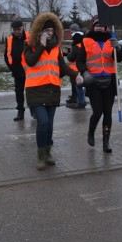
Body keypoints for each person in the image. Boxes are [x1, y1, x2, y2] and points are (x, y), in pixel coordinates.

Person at [23, 12, 77, 170]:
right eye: (46, 31)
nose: (49, 33)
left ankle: (47, 153)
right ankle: (40, 156)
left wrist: (76, 76)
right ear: (39, 31)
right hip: (35, 90)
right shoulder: (30, 45)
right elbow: (31, 61)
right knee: (43, 121)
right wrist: (41, 45)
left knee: (50, 124)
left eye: (52, 31)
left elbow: (64, 67)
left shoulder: (56, 48)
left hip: (52, 89)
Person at [74, 16, 122, 153]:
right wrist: (84, 72)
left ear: (106, 27)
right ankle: (91, 132)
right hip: (94, 82)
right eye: (97, 25)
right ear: (93, 27)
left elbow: (118, 59)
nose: (99, 27)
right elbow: (80, 61)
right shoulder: (86, 41)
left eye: (102, 25)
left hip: (109, 82)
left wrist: (118, 48)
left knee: (107, 113)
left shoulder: (111, 40)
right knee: (98, 112)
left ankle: (106, 142)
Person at [4, 19, 29, 121]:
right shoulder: (10, 40)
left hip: (29, 71)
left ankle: (34, 111)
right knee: (19, 92)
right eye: (15, 29)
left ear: (22, 28)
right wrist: (12, 68)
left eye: (19, 29)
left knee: (31, 92)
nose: (17, 31)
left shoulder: (29, 37)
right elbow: (6, 56)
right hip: (17, 71)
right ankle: (20, 111)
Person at [66, 23, 86, 109]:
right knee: (78, 85)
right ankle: (78, 100)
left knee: (78, 86)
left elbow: (72, 57)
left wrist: (68, 55)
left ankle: (81, 102)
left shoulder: (76, 45)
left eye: (71, 31)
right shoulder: (83, 42)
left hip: (76, 69)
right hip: (81, 68)